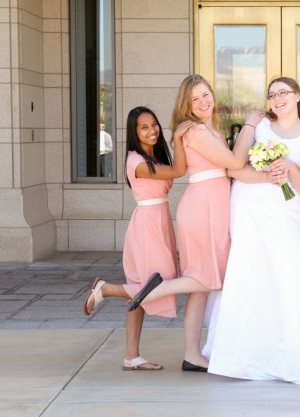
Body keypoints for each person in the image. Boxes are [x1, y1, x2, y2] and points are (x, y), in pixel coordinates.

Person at [201, 77, 300, 385]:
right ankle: (242, 352)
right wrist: (267, 174)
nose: (277, 98)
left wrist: (289, 168)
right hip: (249, 206)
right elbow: (234, 168)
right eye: (271, 95)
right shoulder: (259, 126)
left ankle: (297, 349)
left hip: (286, 211)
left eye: (283, 92)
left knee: (291, 272)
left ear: (297, 95)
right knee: (249, 271)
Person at [126, 74, 260, 371]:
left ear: (212, 95)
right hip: (203, 206)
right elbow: (234, 164)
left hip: (210, 202)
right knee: (206, 276)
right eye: (194, 99)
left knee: (203, 283)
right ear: (186, 105)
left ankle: (191, 354)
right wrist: (251, 124)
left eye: (205, 95)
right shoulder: (196, 131)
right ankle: (156, 291)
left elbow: (232, 166)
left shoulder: (210, 129)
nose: (202, 102)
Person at [82, 106, 187, 371]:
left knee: (140, 288)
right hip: (148, 225)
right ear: (134, 132)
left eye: (154, 124)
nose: (152, 130)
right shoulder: (136, 162)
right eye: (144, 127)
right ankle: (106, 289)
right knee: (153, 286)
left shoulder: (150, 155)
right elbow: (178, 171)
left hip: (158, 220)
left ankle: (131, 356)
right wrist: (179, 139)